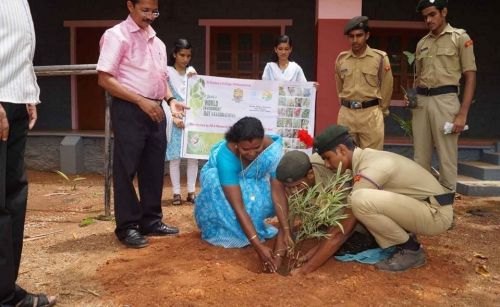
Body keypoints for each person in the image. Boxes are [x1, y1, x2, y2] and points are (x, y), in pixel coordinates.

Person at [97, 0, 185, 248]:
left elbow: (161, 78)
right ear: (130, 6)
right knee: (126, 169)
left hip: (157, 108)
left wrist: (170, 100)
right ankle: (127, 227)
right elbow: (105, 78)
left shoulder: (157, 42)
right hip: (130, 108)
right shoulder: (116, 36)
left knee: (154, 167)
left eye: (154, 11)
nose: (150, 16)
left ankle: (151, 221)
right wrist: (140, 101)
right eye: (144, 10)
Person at [308, 124, 454, 272]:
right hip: (424, 207)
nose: (326, 164)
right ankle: (404, 239)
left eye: (327, 158)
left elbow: (342, 230)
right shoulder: (364, 157)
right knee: (360, 200)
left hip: (436, 215)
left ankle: (411, 250)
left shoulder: (370, 168)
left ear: (341, 150)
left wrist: (308, 266)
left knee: (360, 200)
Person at [0, 1, 57, 306]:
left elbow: (15, 45)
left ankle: (5, 290)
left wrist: (27, 91)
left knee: (12, 199)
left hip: (14, 97)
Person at [194, 117, 291, 273]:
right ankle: (230, 231)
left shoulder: (272, 150)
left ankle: (253, 228)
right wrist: (258, 246)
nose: (252, 153)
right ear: (236, 144)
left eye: (257, 148)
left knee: (262, 196)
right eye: (245, 149)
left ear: (262, 140)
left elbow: (277, 191)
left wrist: (286, 230)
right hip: (222, 185)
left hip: (254, 183)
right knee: (219, 187)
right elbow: (238, 207)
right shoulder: (226, 157)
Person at [411, 0, 476, 191]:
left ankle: (446, 207)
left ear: (444, 12)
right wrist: (412, 96)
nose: (428, 20)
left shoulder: (460, 38)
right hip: (421, 103)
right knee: (420, 158)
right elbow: (419, 77)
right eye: (425, 17)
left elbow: (470, 76)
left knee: (446, 157)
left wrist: (462, 114)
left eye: (432, 14)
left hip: (445, 101)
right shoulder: (422, 43)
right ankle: (424, 203)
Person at [335, 16, 393, 150]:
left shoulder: (379, 58)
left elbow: (387, 87)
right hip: (346, 115)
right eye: (351, 36)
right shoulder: (341, 59)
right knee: (346, 159)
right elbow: (339, 88)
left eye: (359, 35)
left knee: (371, 159)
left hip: (370, 115)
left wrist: (381, 111)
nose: (355, 40)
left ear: (367, 35)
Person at [164, 38, 198, 205]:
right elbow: (165, 97)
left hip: (191, 120)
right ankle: (176, 193)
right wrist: (173, 117)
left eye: (188, 56)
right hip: (175, 119)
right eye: (182, 55)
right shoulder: (167, 72)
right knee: (175, 158)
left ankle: (191, 191)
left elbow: (198, 95)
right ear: (174, 54)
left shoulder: (192, 72)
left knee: (193, 157)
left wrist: (195, 79)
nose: (185, 59)